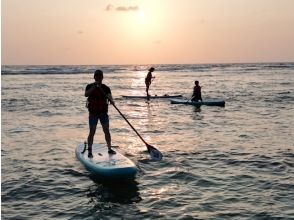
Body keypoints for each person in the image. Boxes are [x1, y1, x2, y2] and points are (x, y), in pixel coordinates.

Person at [85, 69, 116, 158]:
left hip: (103, 113)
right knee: (92, 131)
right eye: (97, 76)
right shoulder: (89, 86)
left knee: (106, 131)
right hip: (93, 113)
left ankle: (109, 149)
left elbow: (110, 96)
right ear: (94, 77)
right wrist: (94, 87)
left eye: (100, 76)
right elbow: (86, 94)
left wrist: (112, 100)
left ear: (102, 77)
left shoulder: (106, 88)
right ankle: (90, 150)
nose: (98, 77)